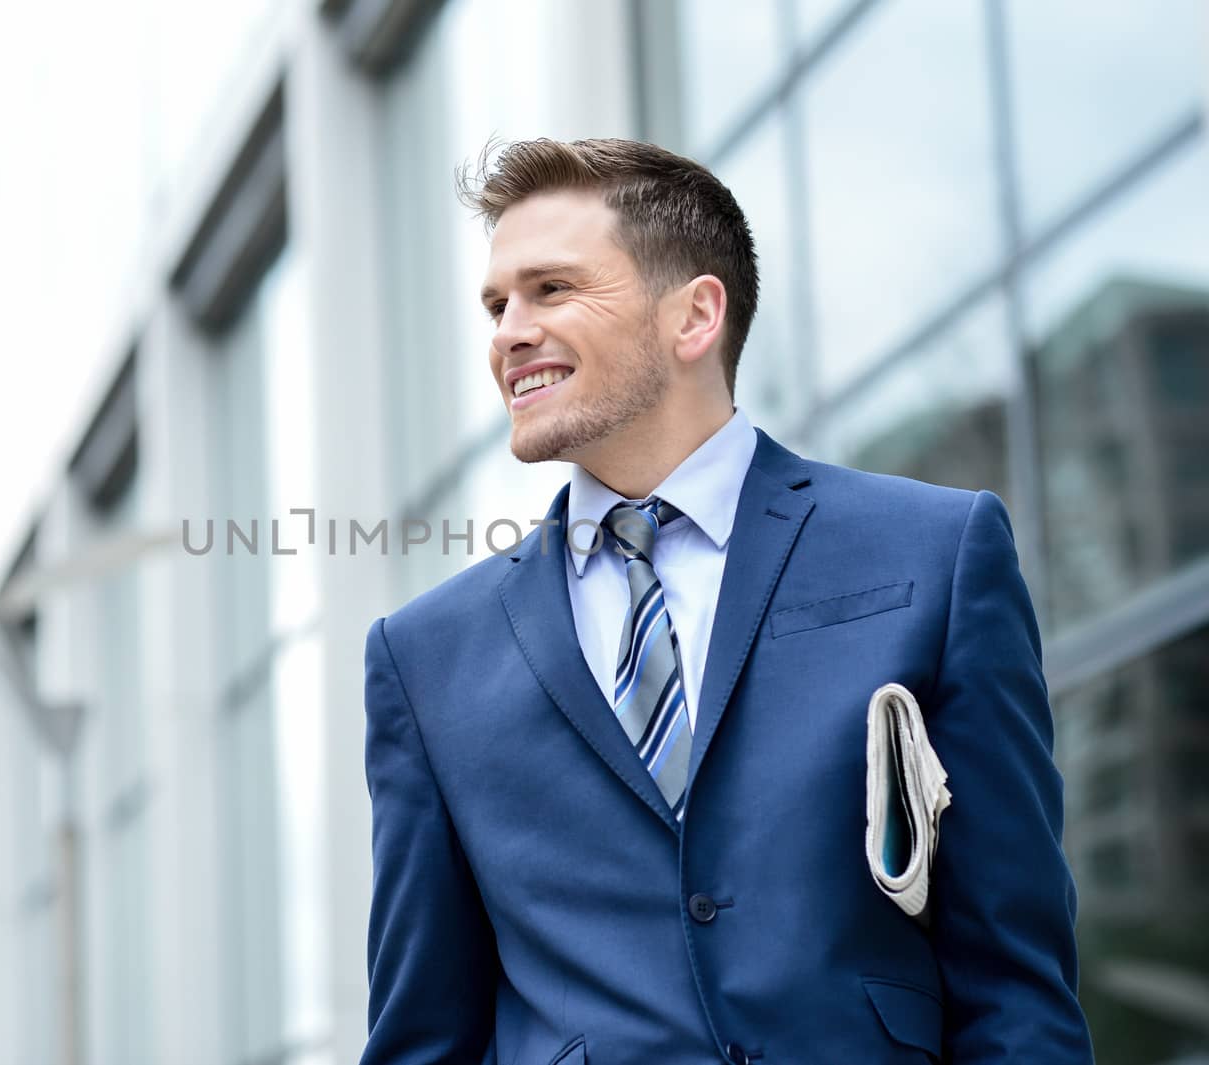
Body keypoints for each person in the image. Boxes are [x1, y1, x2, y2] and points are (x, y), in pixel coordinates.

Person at [359, 138, 1093, 1064]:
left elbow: (1017, 988)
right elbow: (425, 1037)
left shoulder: (934, 552)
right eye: (498, 303)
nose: (508, 330)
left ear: (696, 315)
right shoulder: (424, 659)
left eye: (551, 290)